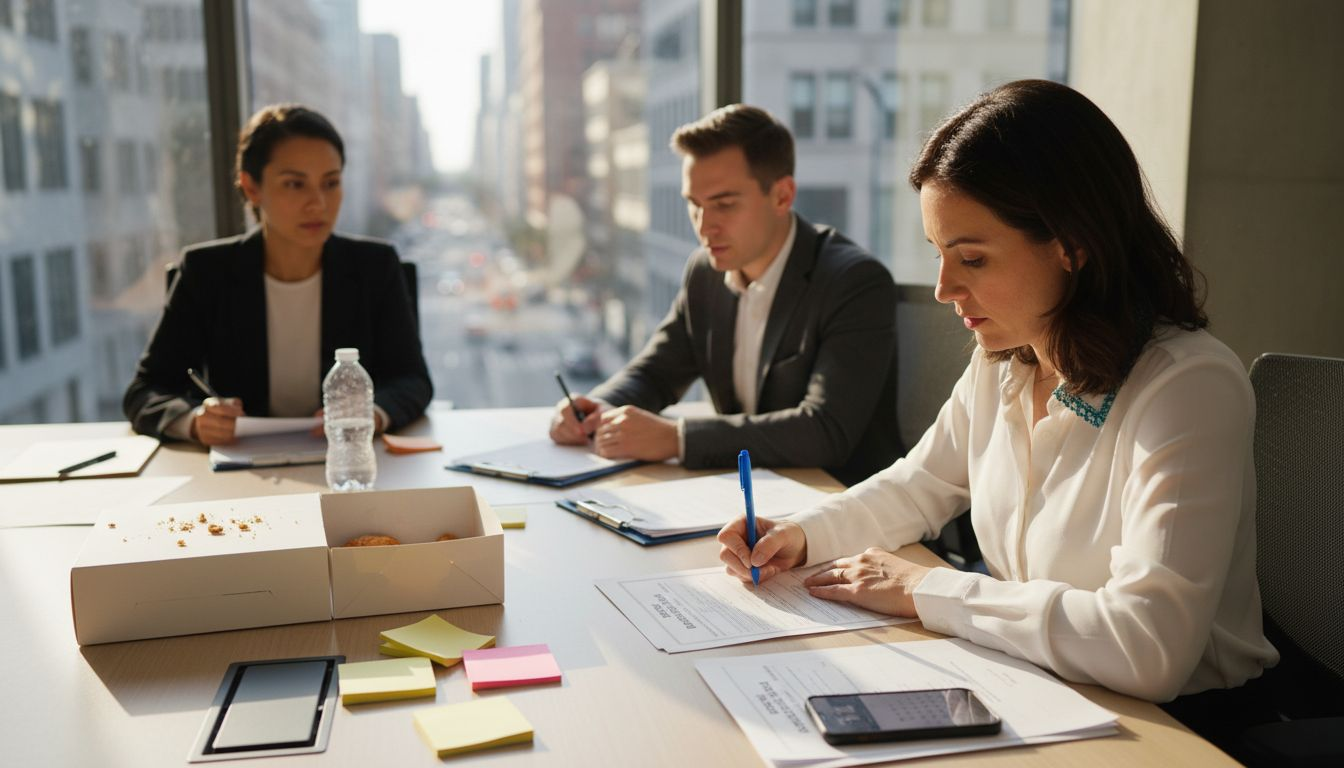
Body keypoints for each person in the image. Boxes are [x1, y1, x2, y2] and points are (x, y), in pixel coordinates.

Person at [718, 80, 1278, 731]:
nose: (943, 288)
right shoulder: (1006, 359)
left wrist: (927, 590)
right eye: (938, 254)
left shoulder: (1188, 386)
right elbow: (921, 482)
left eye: (973, 258)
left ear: (1071, 244)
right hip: (1041, 689)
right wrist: (802, 533)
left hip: (1184, 727)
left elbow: (1146, 646)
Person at [549, 105, 903, 485]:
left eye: (724, 204)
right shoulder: (704, 272)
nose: (705, 227)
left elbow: (825, 430)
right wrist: (597, 407)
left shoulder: (854, 281)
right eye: (694, 204)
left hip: (842, 505)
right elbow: (656, 373)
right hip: (742, 499)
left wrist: (677, 439)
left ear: (782, 196)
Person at [124, 104, 432, 444]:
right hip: (242, 470)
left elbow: (412, 380)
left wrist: (371, 413)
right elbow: (146, 390)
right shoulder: (207, 272)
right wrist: (194, 420)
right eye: (295, 185)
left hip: (348, 461)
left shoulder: (374, 265)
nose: (318, 203)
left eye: (331, 183)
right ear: (251, 188)